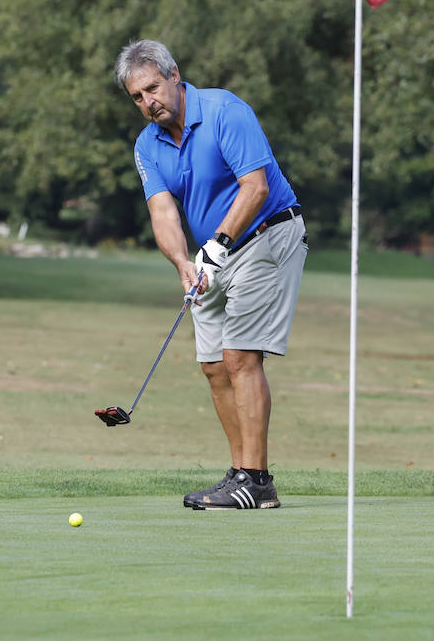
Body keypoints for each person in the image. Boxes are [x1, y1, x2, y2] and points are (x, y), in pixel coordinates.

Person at [115, 40, 308, 511]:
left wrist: (217, 245)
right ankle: (243, 474)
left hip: (267, 235)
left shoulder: (225, 110)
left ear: (174, 75)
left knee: (240, 356)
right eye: (137, 97)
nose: (148, 102)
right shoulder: (147, 145)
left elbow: (256, 187)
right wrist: (183, 263)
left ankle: (257, 479)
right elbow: (162, 212)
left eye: (153, 89)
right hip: (208, 256)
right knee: (214, 366)